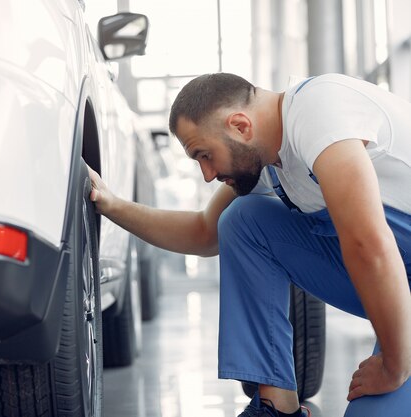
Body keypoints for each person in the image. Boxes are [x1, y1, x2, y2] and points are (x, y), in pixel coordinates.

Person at [88, 72, 411, 417]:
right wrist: (112, 205)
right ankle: (277, 407)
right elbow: (203, 232)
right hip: (397, 278)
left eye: (205, 155)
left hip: (388, 265)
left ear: (240, 126)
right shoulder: (270, 162)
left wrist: (394, 366)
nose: (207, 175)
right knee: (244, 221)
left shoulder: (320, 110)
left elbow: (367, 243)